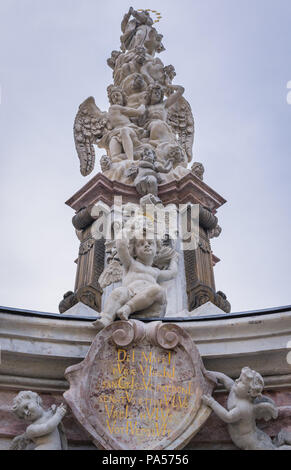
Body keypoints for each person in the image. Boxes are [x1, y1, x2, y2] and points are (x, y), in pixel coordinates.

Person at [93, 230, 178, 328]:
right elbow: (121, 247)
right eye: (141, 244)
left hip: (149, 303)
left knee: (158, 290)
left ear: (157, 249)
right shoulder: (131, 264)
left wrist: (174, 259)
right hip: (130, 295)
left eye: (150, 243)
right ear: (134, 251)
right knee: (119, 292)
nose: (146, 245)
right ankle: (106, 318)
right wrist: (126, 230)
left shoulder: (156, 272)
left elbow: (172, 273)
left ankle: (127, 308)